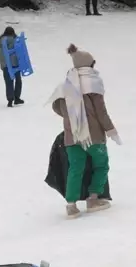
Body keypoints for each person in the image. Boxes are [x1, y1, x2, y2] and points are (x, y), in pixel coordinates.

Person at [50, 45, 119, 219]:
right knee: (101, 164)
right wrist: (111, 130)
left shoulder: (65, 85)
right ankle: (93, 198)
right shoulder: (93, 83)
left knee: (75, 168)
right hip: (93, 135)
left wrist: (71, 118)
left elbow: (56, 107)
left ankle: (71, 205)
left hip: (71, 135)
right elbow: (100, 112)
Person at [0, 26, 24, 107]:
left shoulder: (1, 41)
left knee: (9, 82)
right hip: (15, 64)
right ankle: (16, 98)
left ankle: (10, 100)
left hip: (5, 65)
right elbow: (20, 50)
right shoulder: (14, 40)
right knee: (18, 81)